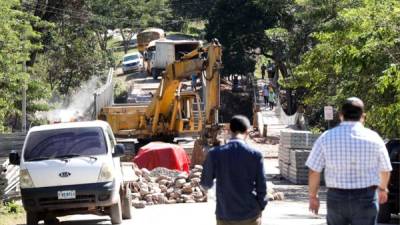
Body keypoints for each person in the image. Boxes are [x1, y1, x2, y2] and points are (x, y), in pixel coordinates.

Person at [306, 97, 392, 225]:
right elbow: (385, 169)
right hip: (366, 198)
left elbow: (314, 170)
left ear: (341, 115)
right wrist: (383, 188)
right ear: (363, 116)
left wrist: (313, 196)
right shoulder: (374, 138)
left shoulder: (326, 137)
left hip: (336, 198)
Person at [201, 115, 267, 225]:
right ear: (247, 131)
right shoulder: (256, 155)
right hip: (250, 214)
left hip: (225, 214)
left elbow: (205, 183)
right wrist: (260, 206)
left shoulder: (214, 154)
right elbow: (262, 186)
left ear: (229, 130)